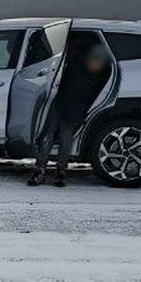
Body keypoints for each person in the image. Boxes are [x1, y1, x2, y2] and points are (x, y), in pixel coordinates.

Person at [29, 45, 111, 187]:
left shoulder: (101, 76)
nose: (95, 65)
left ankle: (60, 170)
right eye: (93, 61)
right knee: (48, 135)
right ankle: (41, 169)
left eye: (98, 62)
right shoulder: (78, 68)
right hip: (61, 104)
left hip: (73, 109)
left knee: (64, 138)